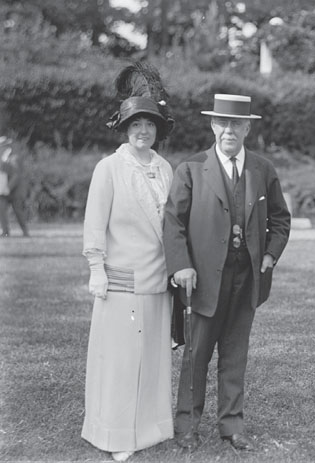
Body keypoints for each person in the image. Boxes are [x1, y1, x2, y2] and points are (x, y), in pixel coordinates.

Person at [163, 93, 291, 452]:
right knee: (197, 355)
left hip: (247, 277)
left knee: (235, 354)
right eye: (223, 123)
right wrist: (181, 265)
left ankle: (232, 424)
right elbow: (173, 222)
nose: (229, 130)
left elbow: (281, 219)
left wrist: (270, 255)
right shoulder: (191, 168)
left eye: (237, 123)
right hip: (203, 279)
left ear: (247, 127)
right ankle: (187, 424)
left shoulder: (262, 169)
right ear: (212, 125)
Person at [81, 63, 176, 462]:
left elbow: (171, 227)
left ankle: (150, 429)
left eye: (149, 125)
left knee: (153, 359)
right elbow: (94, 225)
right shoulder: (109, 168)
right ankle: (116, 435)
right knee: (120, 362)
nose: (143, 131)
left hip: (158, 281)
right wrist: (96, 269)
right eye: (135, 124)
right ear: (124, 128)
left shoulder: (165, 168)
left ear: (157, 129)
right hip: (120, 281)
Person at [0, 136, 29, 237]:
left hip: (15, 190)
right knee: (1, 209)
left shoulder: (14, 157)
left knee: (18, 211)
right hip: (4, 190)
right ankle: (5, 231)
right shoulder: (3, 158)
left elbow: (16, 175)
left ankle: (25, 232)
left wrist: (8, 187)